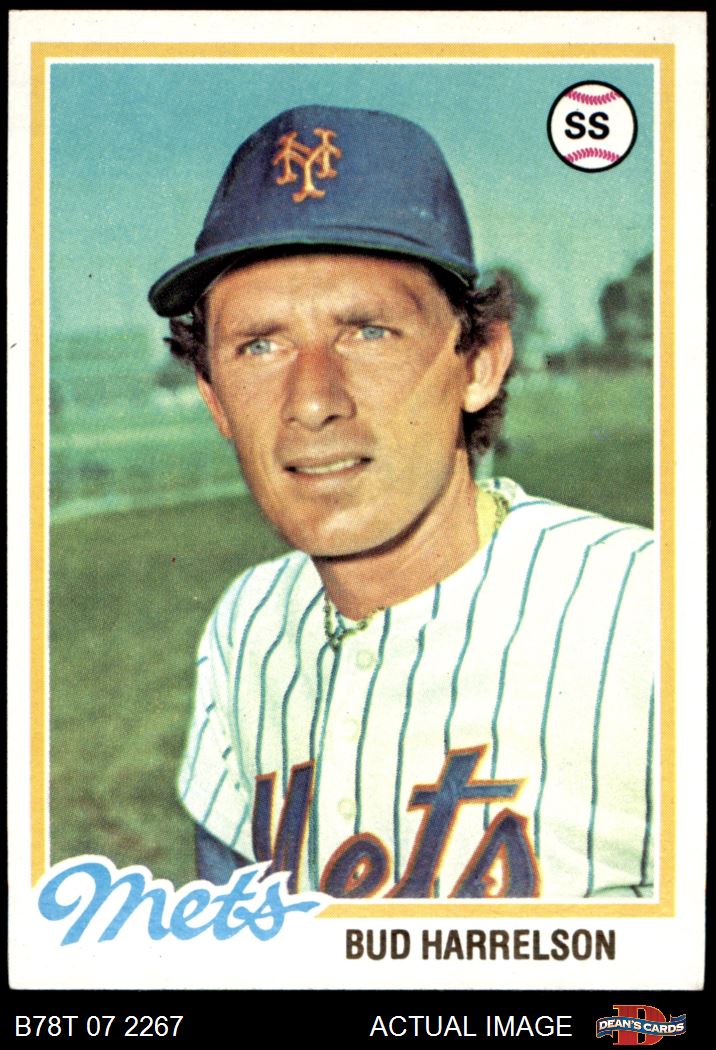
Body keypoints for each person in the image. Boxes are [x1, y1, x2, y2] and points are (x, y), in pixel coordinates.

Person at [149, 105, 654, 900]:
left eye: (369, 331)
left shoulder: (650, 613)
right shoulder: (246, 625)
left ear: (479, 363)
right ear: (215, 399)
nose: (313, 400)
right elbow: (229, 930)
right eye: (261, 345)